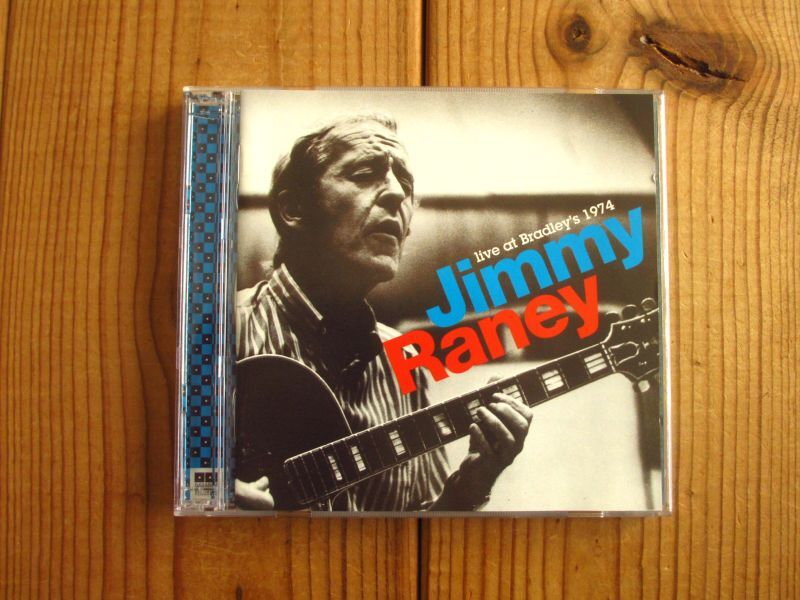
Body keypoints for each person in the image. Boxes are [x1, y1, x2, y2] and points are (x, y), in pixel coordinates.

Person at [234, 114, 532, 511]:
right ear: (293, 209)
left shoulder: (406, 360)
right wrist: (207, 494)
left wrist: (472, 484)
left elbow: (415, 526)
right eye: (364, 174)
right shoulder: (219, 333)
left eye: (405, 183)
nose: (396, 194)